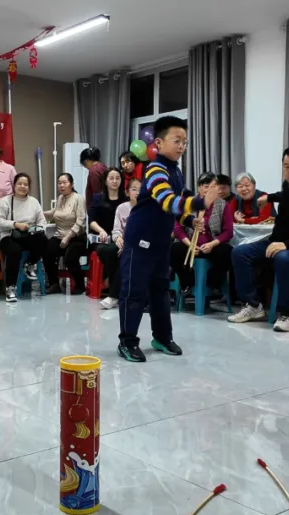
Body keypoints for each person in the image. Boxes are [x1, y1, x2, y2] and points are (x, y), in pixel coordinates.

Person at [117, 115, 214, 362]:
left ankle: (162, 337)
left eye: (185, 142)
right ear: (158, 143)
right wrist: (199, 202)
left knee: (160, 292)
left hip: (161, 242)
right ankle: (127, 341)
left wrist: (189, 221)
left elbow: (173, 210)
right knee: (134, 292)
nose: (182, 146)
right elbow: (167, 201)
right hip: (140, 240)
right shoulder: (155, 169)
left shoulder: (176, 171)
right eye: (176, 140)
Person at [229, 147, 289, 332]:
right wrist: (269, 198)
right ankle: (253, 305)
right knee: (239, 252)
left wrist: (286, 244)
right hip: (279, 240)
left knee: (283, 258)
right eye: (286, 166)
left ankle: (287, 314)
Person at [171, 173, 234, 295]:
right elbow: (177, 229)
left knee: (228, 252)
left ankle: (212, 285)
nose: (209, 190)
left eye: (213, 186)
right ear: (199, 187)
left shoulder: (223, 205)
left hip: (212, 247)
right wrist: (190, 244)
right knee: (174, 250)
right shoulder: (188, 203)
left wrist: (212, 244)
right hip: (190, 246)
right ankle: (187, 284)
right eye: (206, 186)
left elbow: (228, 232)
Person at [0, 172, 49, 302]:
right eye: (19, 183)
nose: (22, 186)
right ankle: (10, 288)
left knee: (44, 240)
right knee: (14, 252)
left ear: (29, 187)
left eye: (26, 184)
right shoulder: (5, 201)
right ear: (14, 185)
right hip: (9, 236)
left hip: (29, 235)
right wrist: (15, 224)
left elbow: (42, 221)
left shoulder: (34, 202)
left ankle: (30, 264)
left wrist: (37, 229)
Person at [99, 177, 141, 310]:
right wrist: (118, 239)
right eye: (134, 189)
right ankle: (114, 289)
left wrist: (128, 244)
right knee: (106, 250)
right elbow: (116, 230)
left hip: (139, 246)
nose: (137, 193)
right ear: (127, 192)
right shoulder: (122, 208)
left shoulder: (146, 209)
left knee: (124, 255)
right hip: (122, 243)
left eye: (140, 190)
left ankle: (113, 295)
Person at [43, 173, 88, 295]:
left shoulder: (79, 198)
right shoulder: (60, 198)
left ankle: (80, 284)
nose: (62, 185)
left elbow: (81, 221)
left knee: (70, 258)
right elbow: (54, 213)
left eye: (65, 183)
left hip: (76, 236)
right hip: (60, 235)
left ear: (71, 184)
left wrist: (68, 237)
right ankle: (54, 283)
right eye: (59, 183)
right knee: (46, 252)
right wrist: (39, 213)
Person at [88, 168, 127, 302]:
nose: (115, 181)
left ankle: (112, 285)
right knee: (106, 250)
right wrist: (101, 231)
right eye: (111, 178)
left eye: (118, 178)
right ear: (105, 181)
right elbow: (91, 221)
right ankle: (111, 283)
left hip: (120, 238)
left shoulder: (126, 200)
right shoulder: (98, 198)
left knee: (118, 251)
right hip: (102, 239)